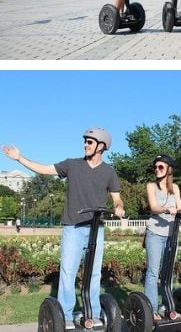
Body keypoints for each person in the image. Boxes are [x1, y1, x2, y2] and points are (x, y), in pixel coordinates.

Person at [2, 128, 125, 325]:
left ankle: (92, 314)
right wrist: (20, 159)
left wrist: (119, 208)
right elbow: (44, 169)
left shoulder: (109, 171)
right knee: (68, 271)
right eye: (85, 141)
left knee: (94, 273)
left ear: (101, 146)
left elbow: (117, 199)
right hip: (73, 227)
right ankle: (66, 317)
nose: (85, 144)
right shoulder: (72, 165)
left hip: (96, 229)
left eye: (90, 142)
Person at [144, 155, 181, 321]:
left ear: (169, 169)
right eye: (155, 167)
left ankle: (167, 307)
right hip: (154, 233)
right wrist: (167, 209)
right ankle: (151, 309)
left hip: (171, 234)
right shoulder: (151, 186)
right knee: (153, 272)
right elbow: (153, 207)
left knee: (168, 272)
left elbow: (180, 207)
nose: (157, 170)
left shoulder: (175, 187)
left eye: (160, 167)